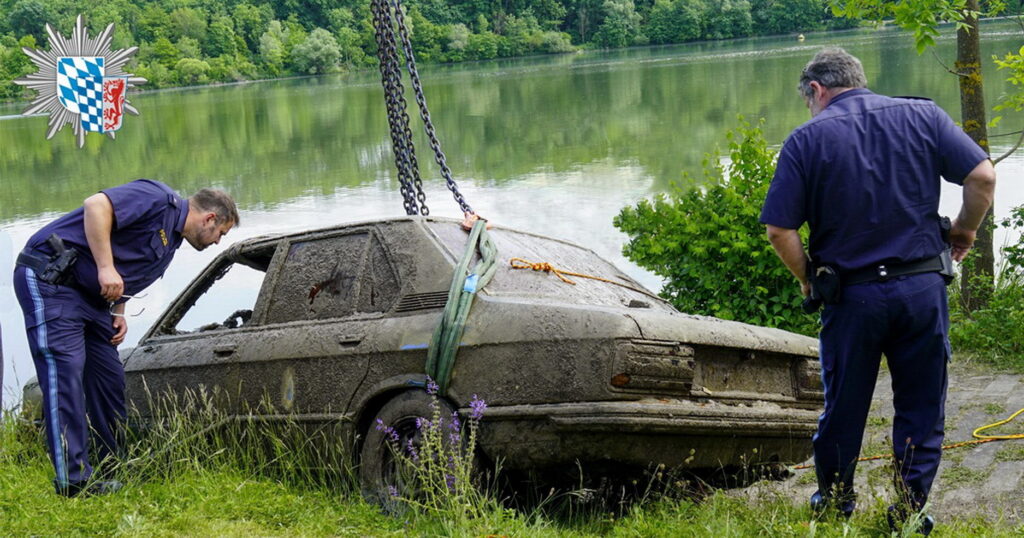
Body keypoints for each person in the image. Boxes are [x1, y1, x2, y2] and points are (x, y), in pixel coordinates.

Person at [760, 49, 995, 533]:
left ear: (817, 90)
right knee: (922, 406)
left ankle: (835, 507)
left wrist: (808, 278)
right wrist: (965, 231)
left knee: (844, 406)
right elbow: (982, 175)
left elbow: (780, 230)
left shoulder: (806, 139)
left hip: (852, 298)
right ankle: (908, 516)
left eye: (809, 101)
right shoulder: (923, 115)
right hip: (921, 290)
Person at [13, 179, 238, 497]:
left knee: (109, 379)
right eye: (221, 234)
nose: (218, 242)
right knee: (65, 374)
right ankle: (74, 482)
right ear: (210, 218)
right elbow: (96, 206)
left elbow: (127, 267)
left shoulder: (172, 239)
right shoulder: (157, 198)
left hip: (93, 301)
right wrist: (105, 267)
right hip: (52, 280)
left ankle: (109, 470)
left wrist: (119, 311)